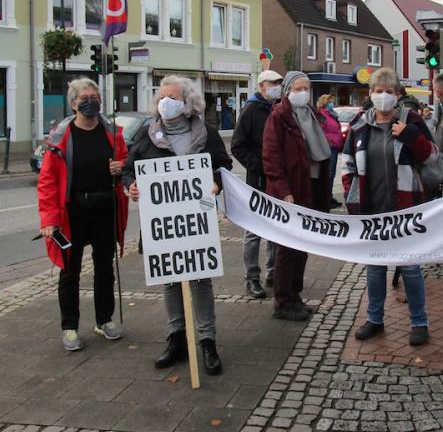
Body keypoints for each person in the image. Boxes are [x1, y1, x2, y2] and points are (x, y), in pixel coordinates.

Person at [124, 76, 232, 375]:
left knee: (201, 279)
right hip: (163, 224)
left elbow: (224, 166)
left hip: (196, 220)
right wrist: (131, 185)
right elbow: (129, 169)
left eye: (173, 97)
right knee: (170, 279)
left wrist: (215, 182)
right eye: (162, 96)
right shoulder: (147, 135)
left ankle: (207, 340)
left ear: (188, 104)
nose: (166, 102)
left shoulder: (206, 134)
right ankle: (176, 339)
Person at [343, 67, 437, 346]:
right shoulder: (360, 125)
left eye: (389, 91)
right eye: (377, 90)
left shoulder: (411, 120)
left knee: (410, 268)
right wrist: (351, 193)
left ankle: (419, 322)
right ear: (370, 94)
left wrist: (409, 135)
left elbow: (431, 156)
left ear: (398, 95)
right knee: (375, 268)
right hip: (372, 209)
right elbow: (348, 163)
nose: (383, 96)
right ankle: (375, 318)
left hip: (406, 208)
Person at [37, 78, 128, 352]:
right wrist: (49, 219)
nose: (91, 102)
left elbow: (126, 163)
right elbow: (48, 181)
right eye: (85, 97)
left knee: (104, 268)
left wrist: (120, 167)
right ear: (74, 103)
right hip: (72, 212)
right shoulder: (60, 138)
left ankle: (104, 320)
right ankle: (70, 326)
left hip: (104, 209)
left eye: (95, 96)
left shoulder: (111, 133)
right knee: (70, 271)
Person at [262, 71, 331, 321]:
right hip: (290, 193)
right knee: (287, 248)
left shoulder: (310, 115)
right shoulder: (279, 117)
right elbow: (271, 159)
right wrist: (284, 191)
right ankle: (283, 300)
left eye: (307, 88)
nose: (303, 92)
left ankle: (295, 294)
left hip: (310, 188)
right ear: (288, 91)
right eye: (298, 88)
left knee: (302, 246)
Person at [231, 70, 283, 298]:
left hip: (277, 180)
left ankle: (273, 272)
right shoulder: (251, 110)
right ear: (262, 86)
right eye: (274, 84)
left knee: (276, 229)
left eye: (279, 84)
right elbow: (237, 145)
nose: (277, 87)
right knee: (254, 231)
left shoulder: (279, 108)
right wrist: (257, 165)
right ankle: (252, 278)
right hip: (258, 179)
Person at [317, 93, 343, 208]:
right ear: (325, 103)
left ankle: (329, 196)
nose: (332, 104)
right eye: (330, 102)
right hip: (329, 147)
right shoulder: (322, 115)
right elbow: (321, 131)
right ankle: (326, 198)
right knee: (328, 174)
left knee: (332, 174)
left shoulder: (332, 115)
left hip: (335, 147)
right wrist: (329, 141)